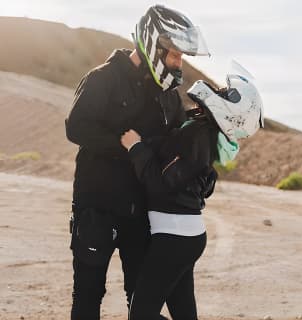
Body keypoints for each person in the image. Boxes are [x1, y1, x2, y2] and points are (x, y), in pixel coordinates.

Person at [65, 4, 210, 320]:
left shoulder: (169, 95)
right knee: (87, 297)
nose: (178, 63)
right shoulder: (103, 78)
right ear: (152, 43)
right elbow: (75, 127)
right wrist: (128, 146)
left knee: (140, 302)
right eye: (174, 54)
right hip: (96, 208)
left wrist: (201, 170)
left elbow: (176, 150)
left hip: (142, 214)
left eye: (181, 56)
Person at [121, 67, 264, 320]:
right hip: (184, 235)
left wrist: (136, 148)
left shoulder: (197, 135)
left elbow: (161, 183)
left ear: (232, 111)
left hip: (175, 237)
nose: (219, 91)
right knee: (184, 314)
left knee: (141, 316)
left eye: (227, 93)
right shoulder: (203, 133)